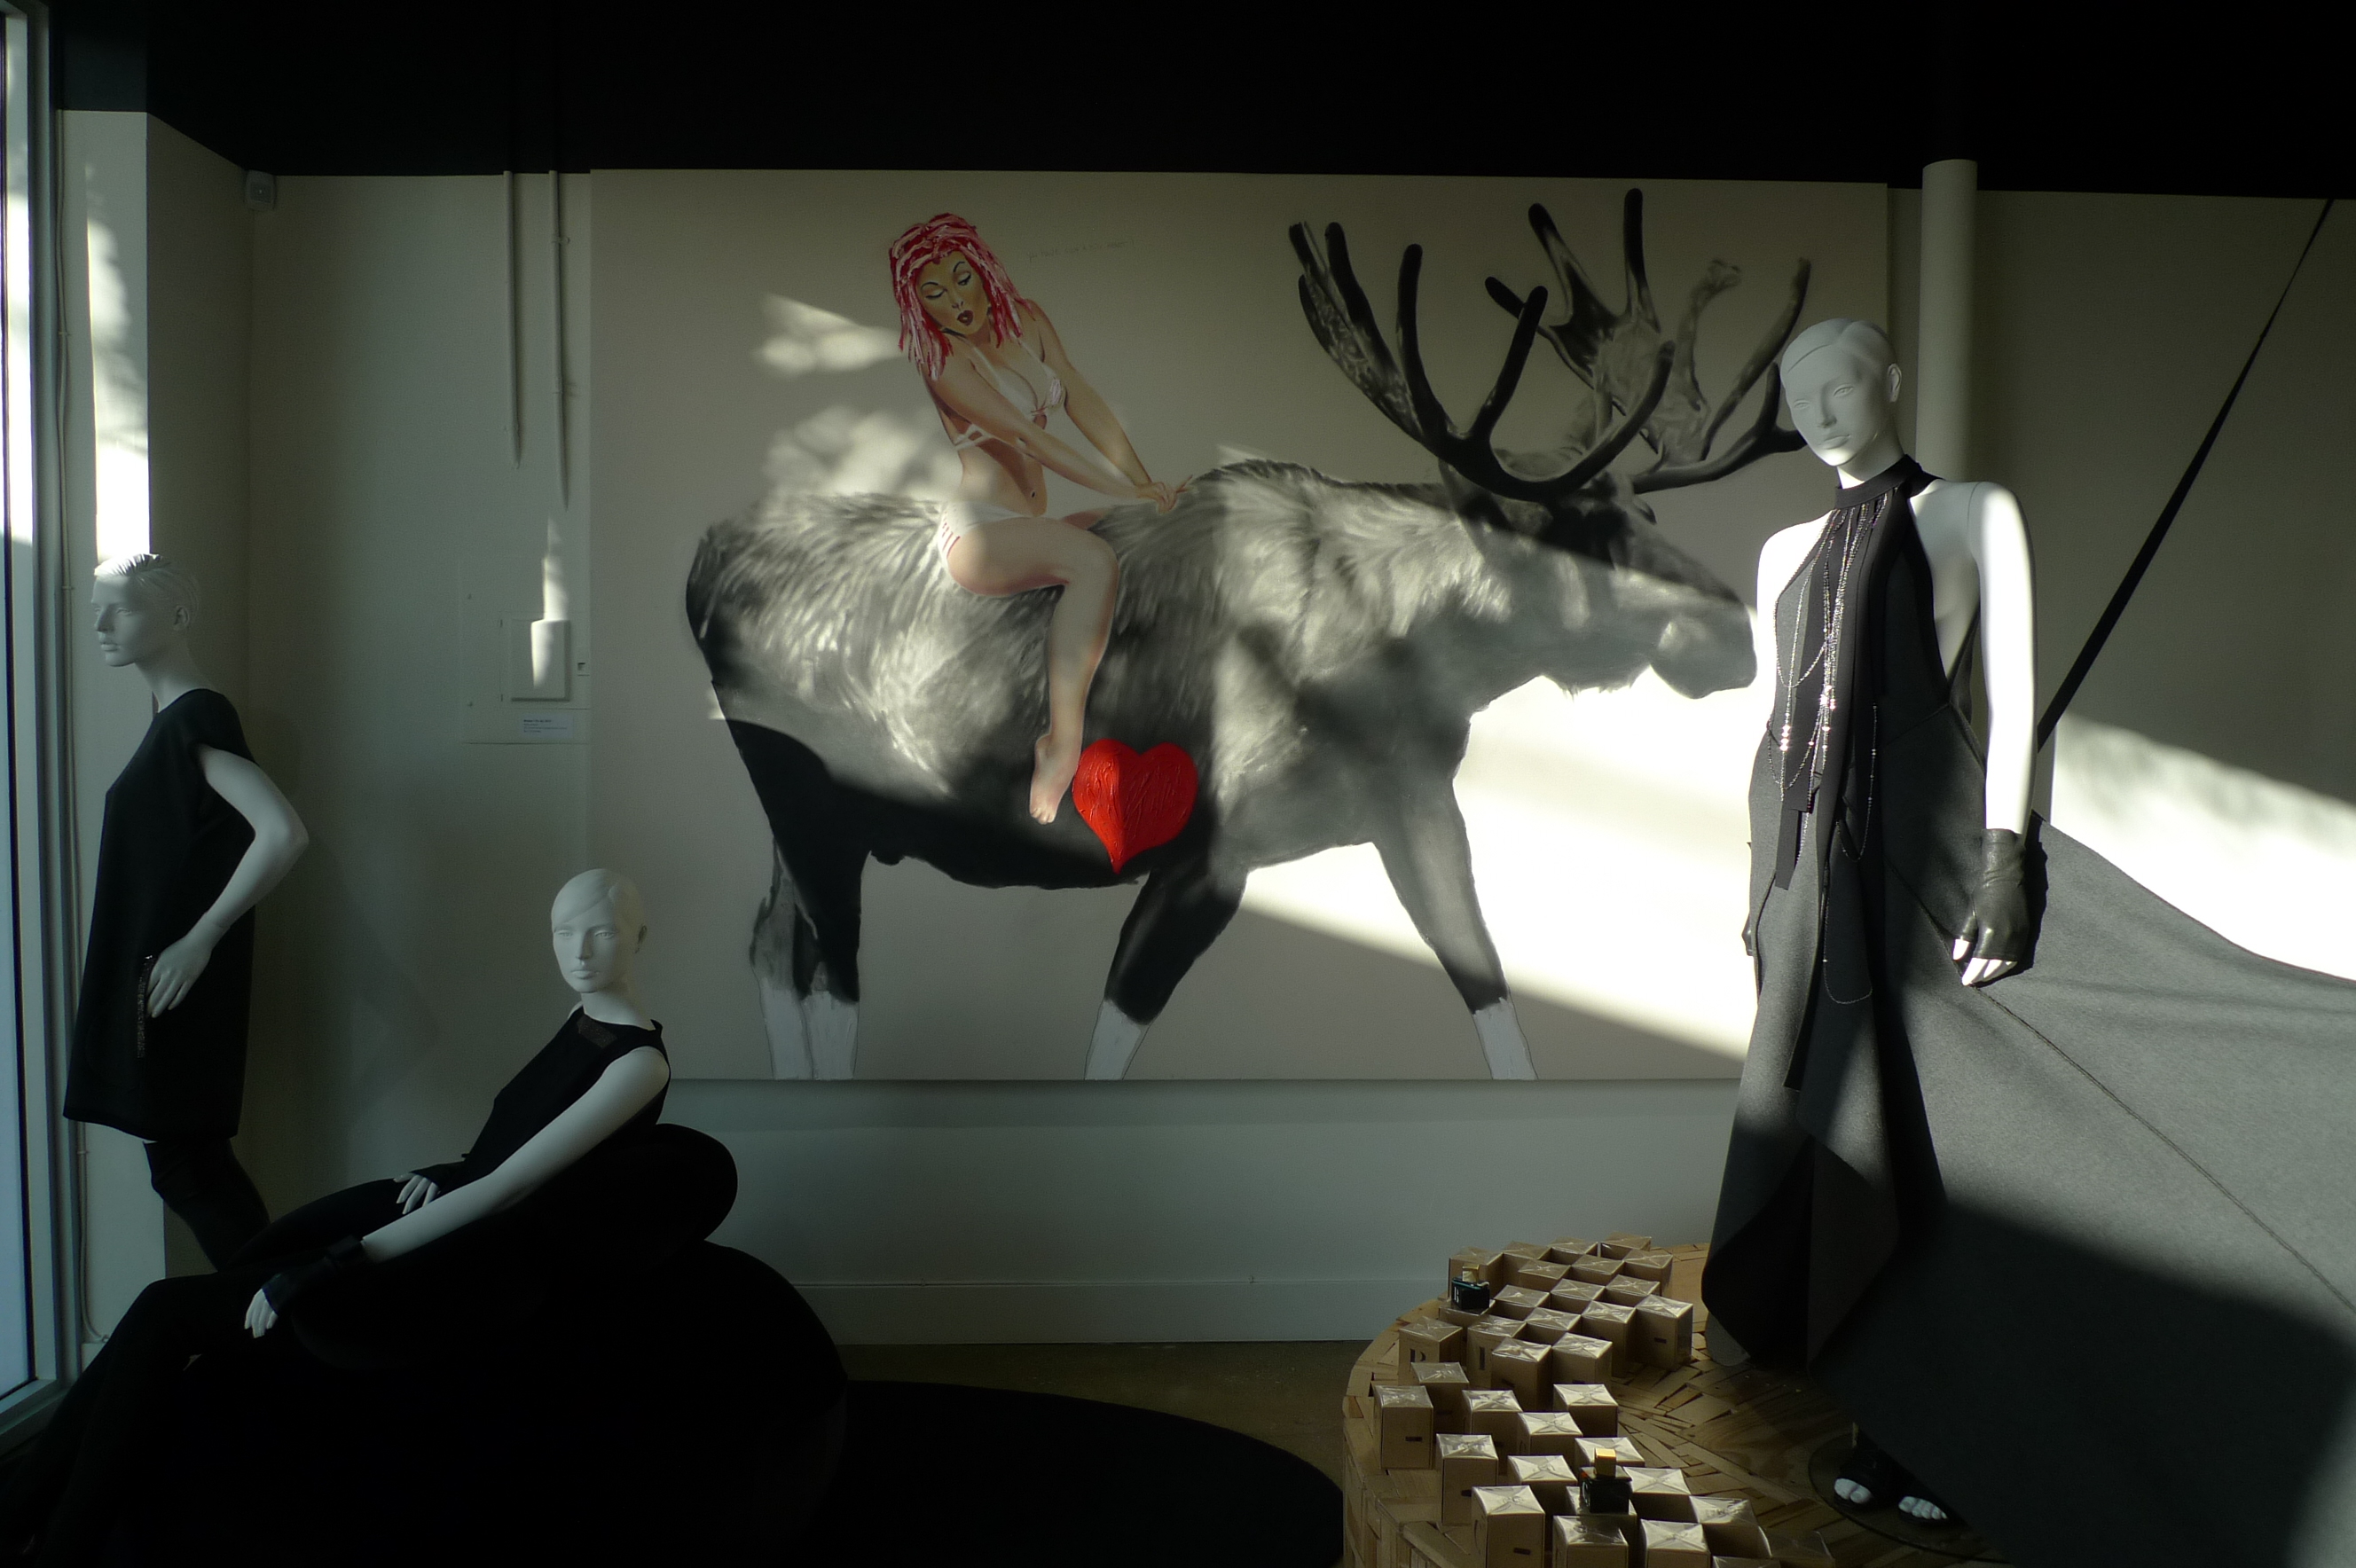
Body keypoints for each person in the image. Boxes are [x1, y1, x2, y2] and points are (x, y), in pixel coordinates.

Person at [1702, 321, 2356, 1553]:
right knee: (1841, 1138)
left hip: (1924, 858)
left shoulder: (1973, 511)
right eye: (1800, 394)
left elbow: (2007, 705)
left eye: (1843, 383)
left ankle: (1962, 1430)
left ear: (1891, 381)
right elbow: (1775, 723)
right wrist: (1759, 885)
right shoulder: (1784, 548)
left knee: (1953, 1150)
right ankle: (1886, 1413)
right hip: (1805, 884)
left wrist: (2005, 860)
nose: (1823, 410)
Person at [2, 871, 673, 1564]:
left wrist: (337, 1262)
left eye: (601, 932)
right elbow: (514, 1147)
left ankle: (52, 1540)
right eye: (563, 932)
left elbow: (508, 1188)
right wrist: (451, 1172)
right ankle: (25, 1515)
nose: (579, 952)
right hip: (454, 1222)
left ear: (640, 938)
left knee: (166, 1312)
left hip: (470, 1268)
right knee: (166, 1308)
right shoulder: (583, 1020)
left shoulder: (637, 1066)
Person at [887, 212, 1184, 825]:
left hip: (1030, 523)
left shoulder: (1028, 321)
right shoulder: (943, 360)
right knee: (1094, 559)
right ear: (918, 305)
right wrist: (1124, 489)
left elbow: (1081, 398)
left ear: (983, 271)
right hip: (981, 532)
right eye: (934, 293)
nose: (955, 301)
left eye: (962, 279)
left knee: (1142, 533)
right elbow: (1031, 438)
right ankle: (1061, 747)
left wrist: (1141, 482)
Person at [65, 554, 309, 1266]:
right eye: (96, 608)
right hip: (164, 975)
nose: (100, 624)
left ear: (177, 616)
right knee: (193, 1165)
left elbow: (283, 833)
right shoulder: (178, 720)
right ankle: (279, 1304)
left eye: (120, 608)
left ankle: (283, 1304)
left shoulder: (197, 718)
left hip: (172, 979)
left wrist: (203, 936)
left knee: (188, 1167)